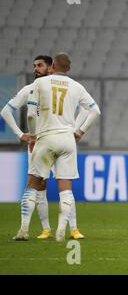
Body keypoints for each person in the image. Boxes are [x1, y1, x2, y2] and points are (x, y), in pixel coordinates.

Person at [2, 55, 88, 240]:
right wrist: (21, 135)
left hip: (46, 140)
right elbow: (6, 111)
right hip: (41, 141)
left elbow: (83, 110)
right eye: (34, 66)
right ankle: (46, 229)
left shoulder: (55, 87)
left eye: (40, 65)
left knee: (58, 185)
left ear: (51, 68)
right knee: (42, 186)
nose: (35, 69)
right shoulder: (30, 88)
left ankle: (73, 228)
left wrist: (74, 128)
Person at [19, 53, 101, 242]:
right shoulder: (77, 86)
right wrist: (80, 132)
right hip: (67, 141)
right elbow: (95, 111)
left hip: (46, 139)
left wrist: (32, 136)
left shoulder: (41, 83)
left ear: (52, 66)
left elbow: (31, 115)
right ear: (69, 69)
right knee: (66, 190)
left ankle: (23, 230)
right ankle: (62, 232)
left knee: (33, 185)